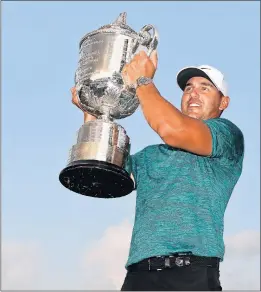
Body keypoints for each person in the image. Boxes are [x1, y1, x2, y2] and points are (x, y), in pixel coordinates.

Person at [71, 51, 244, 291]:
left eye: (205, 88)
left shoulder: (226, 136)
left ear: (223, 102)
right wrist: (93, 112)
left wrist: (143, 81)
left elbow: (173, 129)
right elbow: (102, 172)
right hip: (139, 276)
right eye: (188, 88)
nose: (193, 93)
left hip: (191, 274)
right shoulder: (152, 155)